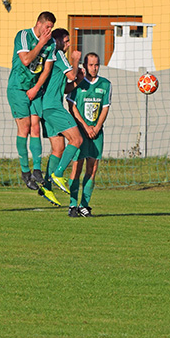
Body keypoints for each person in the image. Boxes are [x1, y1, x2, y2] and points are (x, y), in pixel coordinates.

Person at [7, 12, 57, 191]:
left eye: (51, 28)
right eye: (47, 27)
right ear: (39, 23)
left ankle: (37, 170)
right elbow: (26, 60)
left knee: (36, 127)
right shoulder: (23, 36)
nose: (49, 31)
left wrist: (36, 89)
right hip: (18, 88)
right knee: (25, 127)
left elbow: (47, 69)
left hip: (34, 89)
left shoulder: (51, 43)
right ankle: (25, 171)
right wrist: (41, 43)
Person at [39, 28, 83, 203]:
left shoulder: (51, 57)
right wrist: (76, 60)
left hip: (45, 108)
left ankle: (47, 187)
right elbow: (71, 75)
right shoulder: (58, 53)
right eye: (66, 40)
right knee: (77, 140)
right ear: (58, 41)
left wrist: (79, 81)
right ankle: (58, 174)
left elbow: (65, 88)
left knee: (58, 149)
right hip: (54, 107)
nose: (69, 44)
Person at [66, 52, 112, 218]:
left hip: (96, 133)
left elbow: (105, 107)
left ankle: (84, 206)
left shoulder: (106, 84)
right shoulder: (78, 84)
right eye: (91, 64)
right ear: (85, 66)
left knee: (92, 169)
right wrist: (85, 127)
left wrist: (97, 127)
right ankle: (72, 205)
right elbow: (72, 107)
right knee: (76, 168)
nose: (94, 68)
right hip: (80, 132)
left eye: (97, 64)